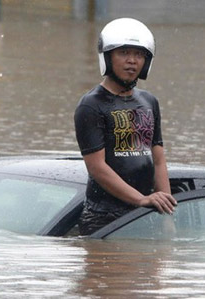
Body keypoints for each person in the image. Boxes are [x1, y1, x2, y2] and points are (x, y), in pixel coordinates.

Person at [74, 18, 177, 235]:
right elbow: (97, 168)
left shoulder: (150, 102)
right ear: (107, 57)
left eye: (139, 55)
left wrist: (168, 215)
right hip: (103, 218)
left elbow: (158, 159)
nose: (132, 61)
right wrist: (141, 199)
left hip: (145, 215)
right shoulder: (91, 105)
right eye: (124, 53)